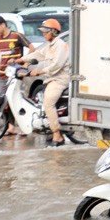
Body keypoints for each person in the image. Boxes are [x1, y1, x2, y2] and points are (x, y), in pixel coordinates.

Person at [16, 18, 68, 146]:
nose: (44, 34)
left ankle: (57, 135)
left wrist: (40, 72)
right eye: (43, 31)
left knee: (48, 103)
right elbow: (38, 54)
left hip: (60, 80)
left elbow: (57, 65)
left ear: (54, 31)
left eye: (46, 31)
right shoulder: (50, 46)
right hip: (51, 79)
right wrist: (20, 60)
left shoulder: (60, 45)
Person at [0, 15, 35, 136]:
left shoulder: (16, 36)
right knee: (6, 101)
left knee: (18, 99)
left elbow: (32, 48)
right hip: (3, 75)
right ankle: (11, 127)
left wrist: (24, 64)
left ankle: (25, 126)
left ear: (3, 24)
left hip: (16, 75)